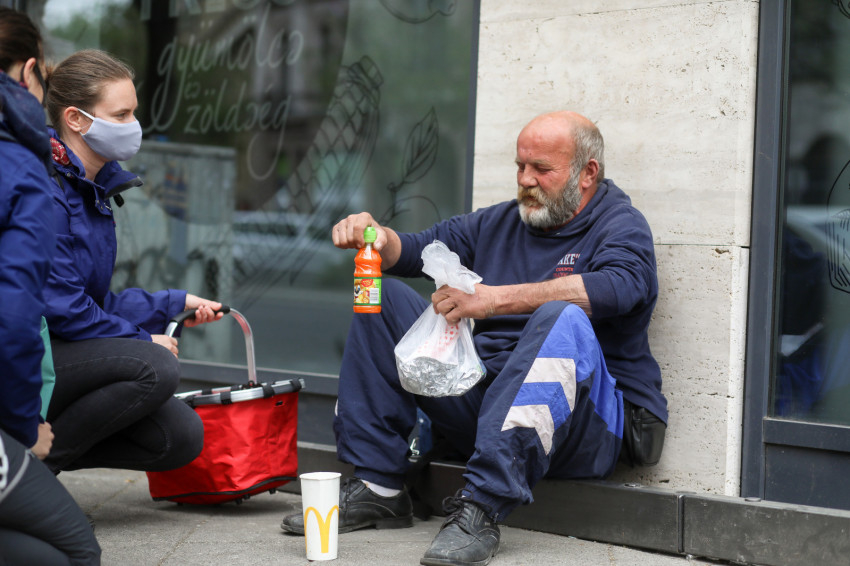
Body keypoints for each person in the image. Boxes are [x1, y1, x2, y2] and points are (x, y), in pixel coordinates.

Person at [281, 111, 668, 566]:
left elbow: (619, 286)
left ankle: (482, 507)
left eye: (541, 169)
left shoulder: (621, 224)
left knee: (562, 317)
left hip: (583, 426)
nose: (525, 180)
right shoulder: (499, 223)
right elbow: (418, 249)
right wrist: (378, 236)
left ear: (588, 173)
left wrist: (494, 300)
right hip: (487, 406)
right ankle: (379, 487)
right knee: (380, 296)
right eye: (520, 166)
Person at [40, 49, 223, 475]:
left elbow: (94, 301)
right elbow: (63, 308)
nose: (133, 126)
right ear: (76, 119)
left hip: (64, 349)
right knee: (156, 366)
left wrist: (173, 303)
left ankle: (28, 458)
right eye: (121, 115)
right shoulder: (47, 190)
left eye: (133, 113)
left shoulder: (93, 187)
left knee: (179, 436)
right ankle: (31, 475)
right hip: (30, 355)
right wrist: (144, 339)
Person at [0, 7, 101, 564]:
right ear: (28, 72)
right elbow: (14, 322)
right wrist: (24, 429)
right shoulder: (24, 171)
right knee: (78, 553)